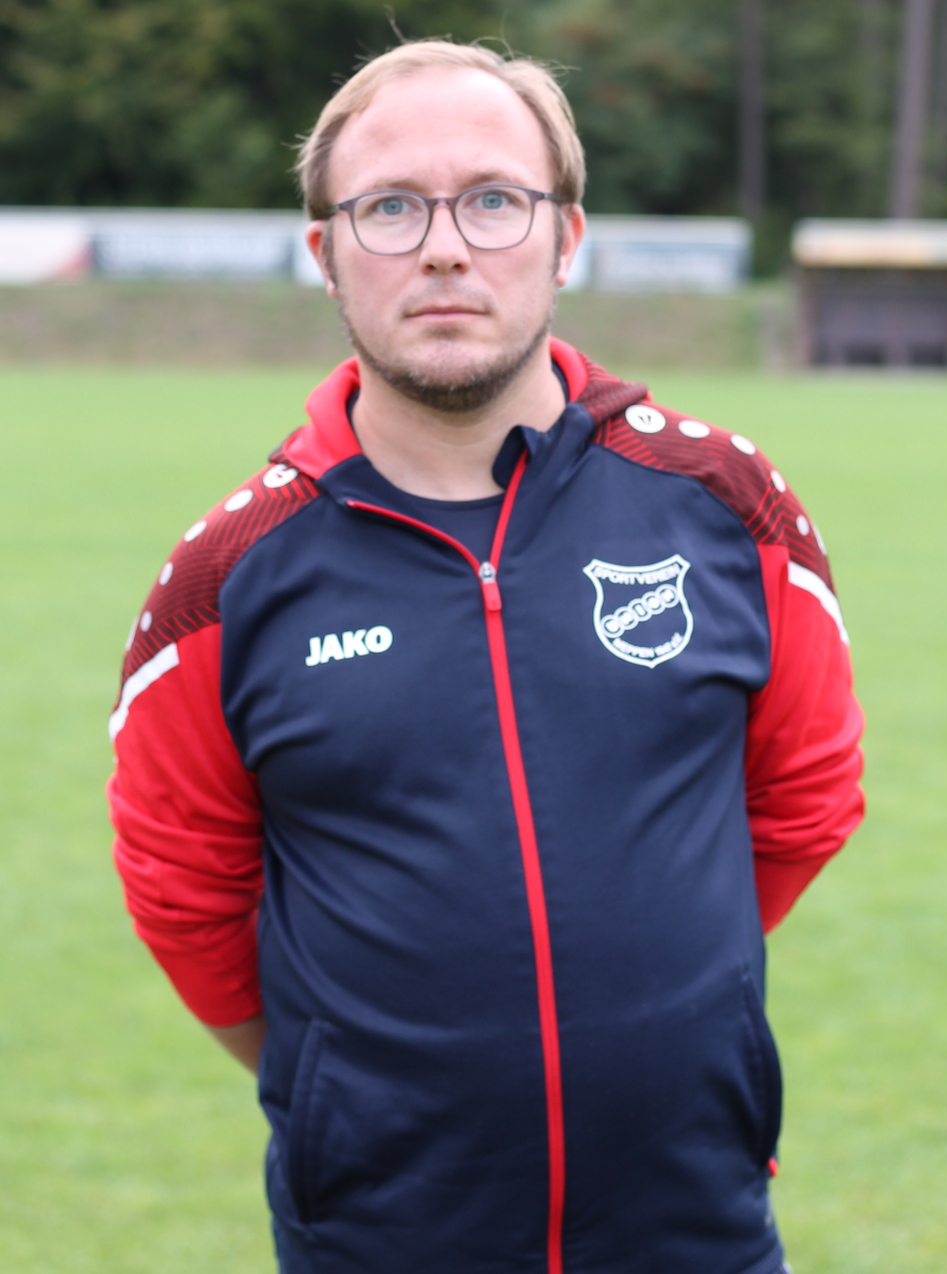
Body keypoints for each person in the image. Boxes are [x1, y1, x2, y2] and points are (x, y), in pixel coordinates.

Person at [107, 39, 864, 1274]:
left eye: (492, 199)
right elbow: (188, 898)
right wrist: (341, 1069)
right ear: (326, 253)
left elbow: (799, 801)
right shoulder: (224, 587)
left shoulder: (726, 507)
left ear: (565, 236)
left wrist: (662, 999)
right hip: (379, 1233)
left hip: (693, 1221)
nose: (444, 246)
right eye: (390, 207)